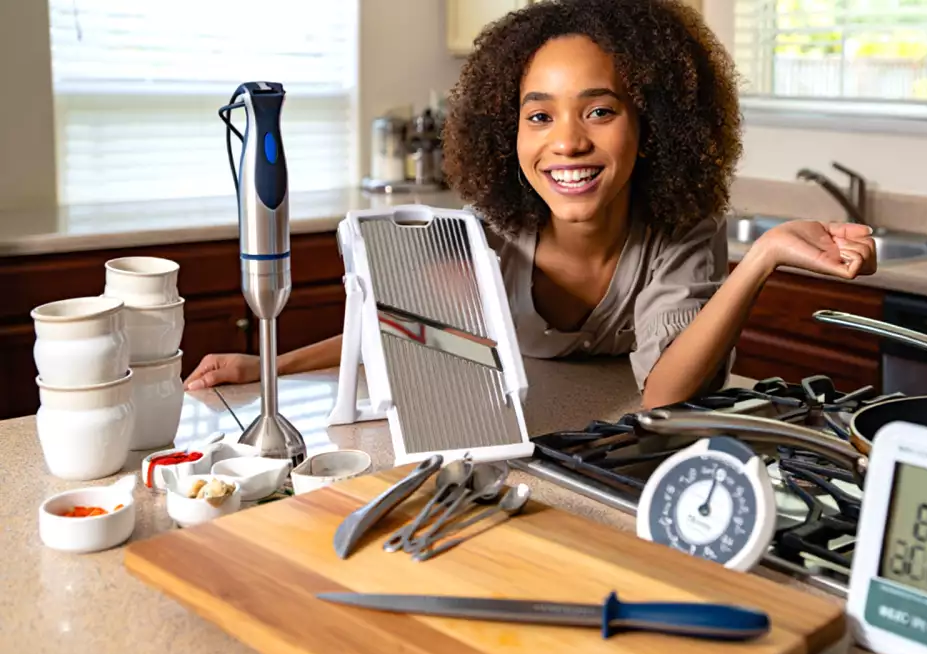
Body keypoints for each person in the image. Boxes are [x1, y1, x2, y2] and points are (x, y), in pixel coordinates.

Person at [184, 0, 876, 409]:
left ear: (652, 125)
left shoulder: (677, 229)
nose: (568, 142)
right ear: (509, 129)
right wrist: (267, 366)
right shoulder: (485, 231)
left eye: (600, 110)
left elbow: (663, 397)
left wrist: (759, 260)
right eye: (539, 117)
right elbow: (404, 338)